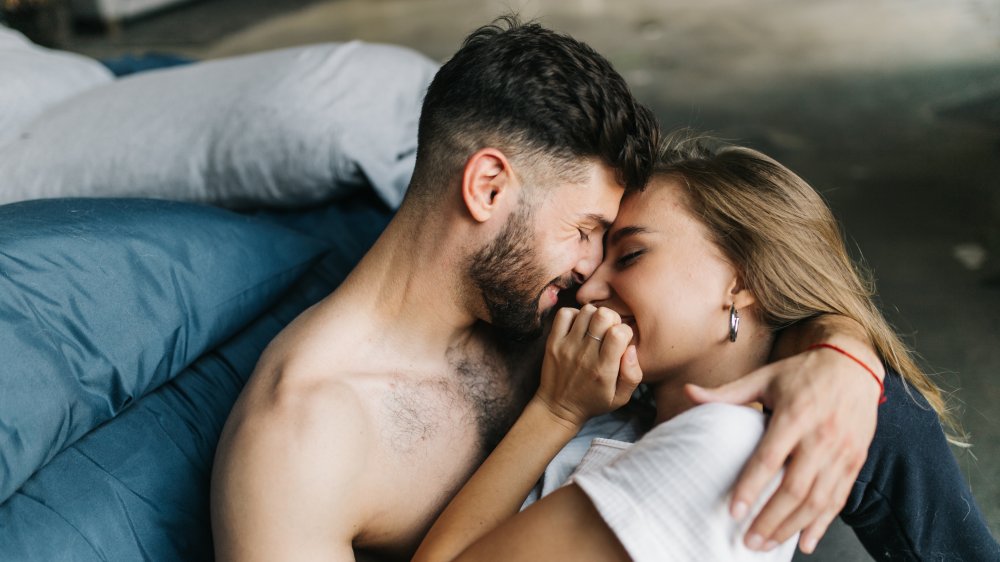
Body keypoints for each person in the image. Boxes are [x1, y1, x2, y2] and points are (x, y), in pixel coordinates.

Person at [211, 18, 888, 561]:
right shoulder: (301, 437)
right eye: (588, 228)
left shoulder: (547, 306)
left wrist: (848, 359)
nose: (592, 273)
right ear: (489, 188)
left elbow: (767, 292)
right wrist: (555, 411)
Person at [412, 137, 999, 561]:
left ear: (742, 278)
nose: (586, 287)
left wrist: (555, 411)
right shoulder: (625, 405)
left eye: (632, 254)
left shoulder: (717, 450)